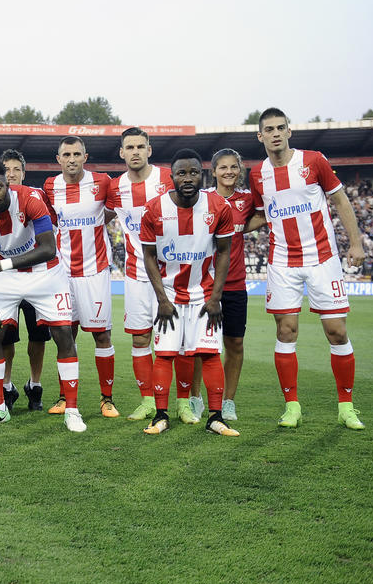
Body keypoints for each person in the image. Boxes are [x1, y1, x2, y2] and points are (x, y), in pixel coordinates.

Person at [250, 107, 366, 430]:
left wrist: (356, 243)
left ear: (289, 131)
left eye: (280, 127)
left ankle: (346, 407)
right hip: (282, 262)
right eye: (269, 129)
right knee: (286, 331)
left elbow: (340, 201)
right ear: (260, 136)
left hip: (322, 258)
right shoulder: (257, 174)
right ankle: (292, 407)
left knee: (337, 331)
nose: (275, 133)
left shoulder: (314, 161)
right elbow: (260, 215)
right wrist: (229, 226)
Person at [0, 161, 82, 431]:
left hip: (45, 272)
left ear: (8, 183)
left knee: (63, 333)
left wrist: (3, 264)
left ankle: (72, 410)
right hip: (5, 276)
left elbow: (48, 248)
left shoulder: (30, 198)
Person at [139, 149, 238, 437]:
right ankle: (160, 416)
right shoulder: (154, 209)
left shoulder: (218, 207)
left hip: (204, 296)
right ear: (171, 177)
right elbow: (148, 256)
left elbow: (224, 252)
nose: (188, 178)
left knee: (209, 354)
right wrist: (162, 299)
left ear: (202, 175)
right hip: (169, 295)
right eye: (181, 173)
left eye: (193, 172)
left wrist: (216, 298)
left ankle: (216, 418)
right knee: (165, 354)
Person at [105, 128, 186, 421]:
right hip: (136, 273)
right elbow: (100, 216)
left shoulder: (168, 178)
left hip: (172, 274)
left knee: (176, 341)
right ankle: (148, 401)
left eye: (140, 146)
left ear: (149, 150)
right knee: (140, 339)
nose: (135, 151)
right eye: (130, 147)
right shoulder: (115, 188)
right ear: (122, 153)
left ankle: (184, 403)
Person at [44, 137, 119, 418]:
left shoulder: (102, 181)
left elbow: (111, 212)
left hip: (95, 271)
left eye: (77, 154)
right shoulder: (50, 186)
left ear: (85, 157)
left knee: (102, 334)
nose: (72, 159)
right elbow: (51, 221)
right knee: (65, 335)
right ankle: (65, 397)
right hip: (62, 273)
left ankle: (107, 399)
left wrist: (94, 225)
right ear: (58, 159)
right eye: (66, 154)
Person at [186, 149, 258, 422]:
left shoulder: (246, 200)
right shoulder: (202, 199)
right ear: (213, 171)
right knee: (198, 346)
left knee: (235, 343)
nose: (229, 172)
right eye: (223, 167)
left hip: (235, 283)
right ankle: (195, 398)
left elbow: (264, 215)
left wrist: (240, 228)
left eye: (233, 167)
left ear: (239, 170)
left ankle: (228, 402)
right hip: (204, 285)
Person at [0, 149, 50, 410]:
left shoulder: (36, 196)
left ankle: (34, 384)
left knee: (38, 335)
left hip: (36, 276)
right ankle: (7, 387)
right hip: (5, 277)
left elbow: (51, 227)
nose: (11, 174)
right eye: (6, 170)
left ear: (24, 173)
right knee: (5, 336)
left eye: (16, 169)